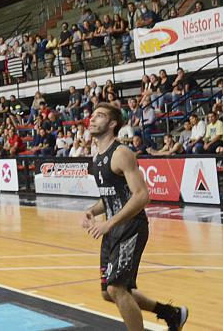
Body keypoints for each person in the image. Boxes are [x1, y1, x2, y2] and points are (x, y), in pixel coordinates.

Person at [81, 103, 188, 331]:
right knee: (108, 293)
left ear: (112, 124)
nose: (92, 119)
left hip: (131, 226)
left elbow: (142, 195)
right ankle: (171, 313)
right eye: (92, 115)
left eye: (99, 116)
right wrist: (92, 210)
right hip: (113, 229)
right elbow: (112, 196)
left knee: (116, 289)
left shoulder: (121, 153)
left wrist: (108, 222)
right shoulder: (97, 155)